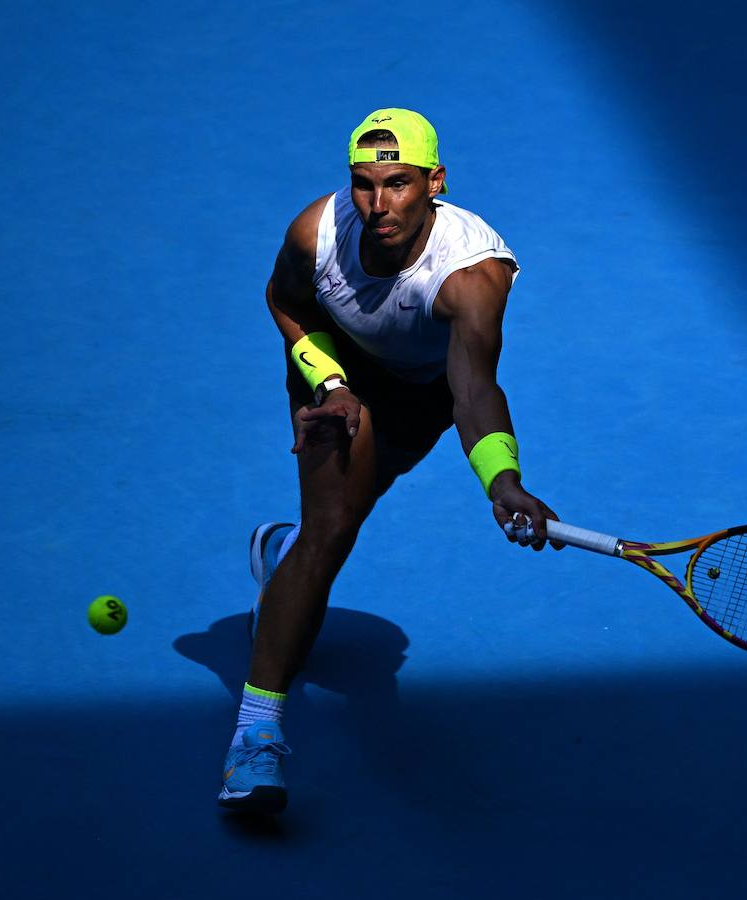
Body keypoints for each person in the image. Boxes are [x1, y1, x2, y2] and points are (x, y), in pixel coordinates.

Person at [218, 108, 561, 814]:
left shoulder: (473, 277)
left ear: (434, 182)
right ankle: (255, 738)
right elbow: (285, 302)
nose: (378, 205)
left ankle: (280, 557)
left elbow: (473, 389)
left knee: (352, 506)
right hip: (336, 376)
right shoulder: (316, 232)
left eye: (399, 184)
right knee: (331, 531)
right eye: (364, 185)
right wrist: (331, 383)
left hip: (422, 397)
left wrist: (502, 480)